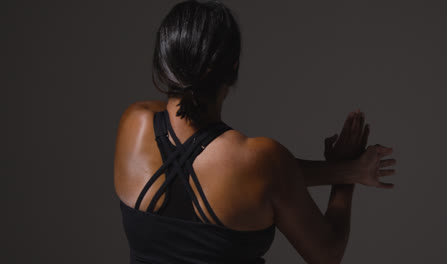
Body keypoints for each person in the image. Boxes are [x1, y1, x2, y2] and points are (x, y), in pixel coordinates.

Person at [113, 1, 397, 263]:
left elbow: (263, 178)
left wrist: (348, 169)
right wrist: (346, 179)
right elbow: (328, 253)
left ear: (163, 63)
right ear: (233, 67)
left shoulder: (133, 125)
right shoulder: (262, 162)